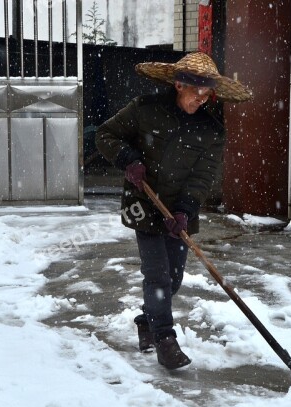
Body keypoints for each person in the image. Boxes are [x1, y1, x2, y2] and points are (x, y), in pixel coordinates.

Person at [96, 52, 251, 370]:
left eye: (208, 91)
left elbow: (202, 176)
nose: (203, 97)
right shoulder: (145, 110)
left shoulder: (211, 131)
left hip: (180, 210)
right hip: (143, 202)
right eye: (198, 90)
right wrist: (128, 159)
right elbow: (105, 135)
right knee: (157, 275)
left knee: (174, 278)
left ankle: (146, 320)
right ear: (179, 84)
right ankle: (165, 341)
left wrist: (185, 209)